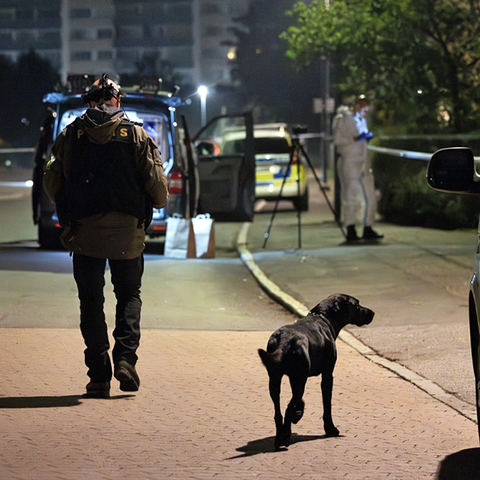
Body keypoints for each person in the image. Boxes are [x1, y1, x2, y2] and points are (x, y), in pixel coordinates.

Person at [43, 73, 169, 398]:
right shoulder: (137, 136)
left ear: (88, 102)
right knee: (128, 296)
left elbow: (51, 183)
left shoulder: (71, 135)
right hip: (129, 234)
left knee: (90, 301)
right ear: (118, 101)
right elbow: (158, 191)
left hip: (84, 234)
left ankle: (98, 374)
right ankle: (126, 360)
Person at [332, 95, 383, 242]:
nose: (366, 113)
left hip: (362, 161)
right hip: (349, 160)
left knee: (370, 195)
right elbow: (337, 140)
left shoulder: (361, 120)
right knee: (351, 195)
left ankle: (368, 226)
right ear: (359, 106)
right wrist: (354, 139)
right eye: (365, 109)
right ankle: (351, 228)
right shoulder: (343, 118)